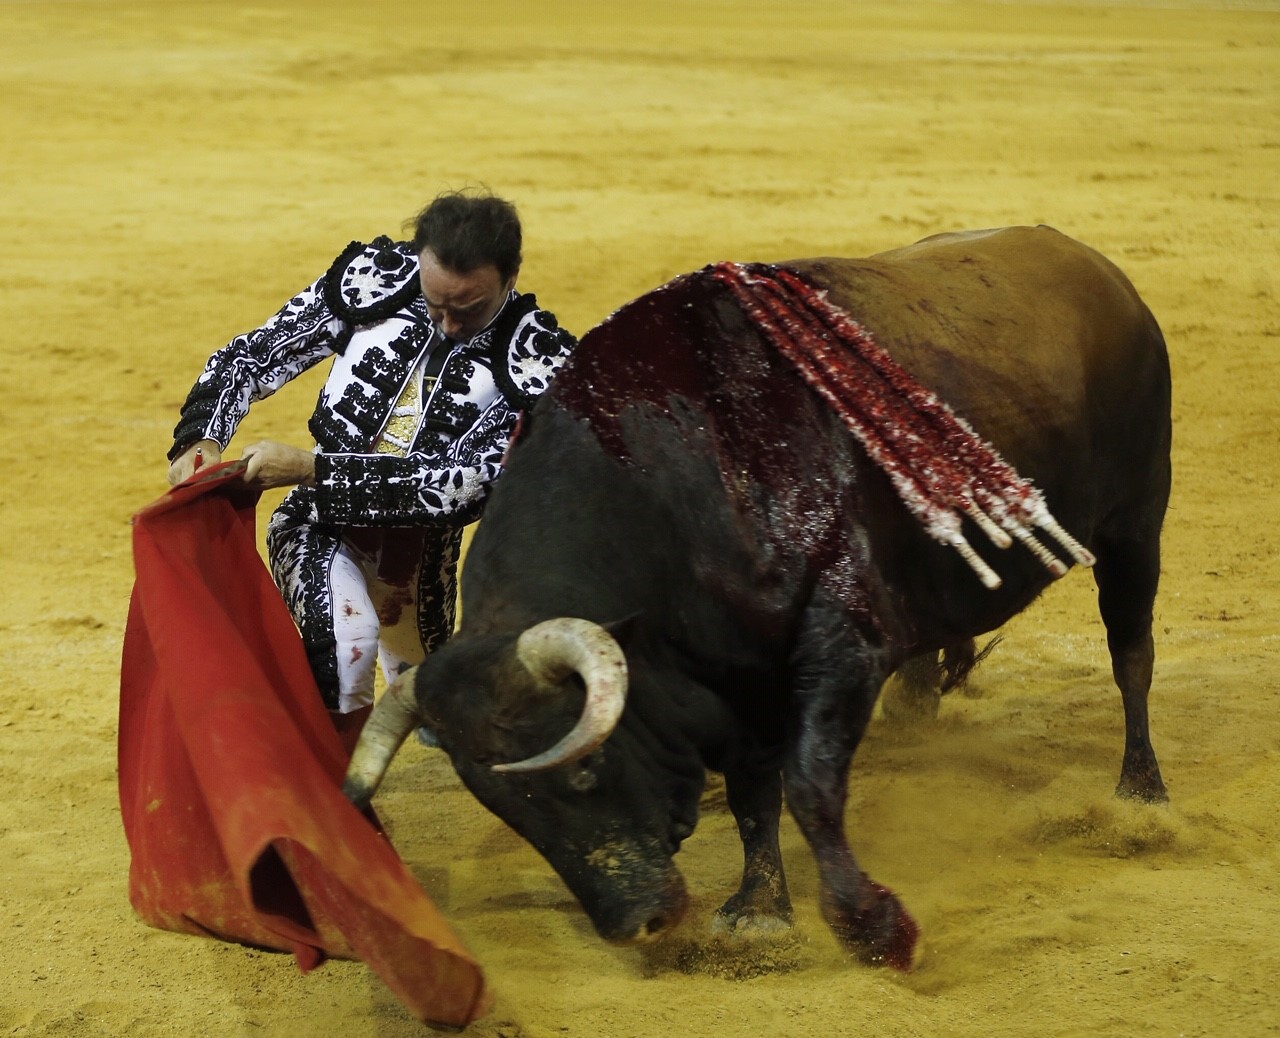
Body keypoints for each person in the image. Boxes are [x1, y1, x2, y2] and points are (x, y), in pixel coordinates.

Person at [166, 190, 577, 748]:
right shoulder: (376, 283)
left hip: (420, 560)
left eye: (470, 308)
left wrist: (316, 468)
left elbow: (459, 490)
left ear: (511, 277)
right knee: (347, 644)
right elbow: (252, 356)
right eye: (435, 303)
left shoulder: (537, 361)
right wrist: (202, 436)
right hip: (316, 522)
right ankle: (330, 810)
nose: (449, 324)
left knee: (437, 712)